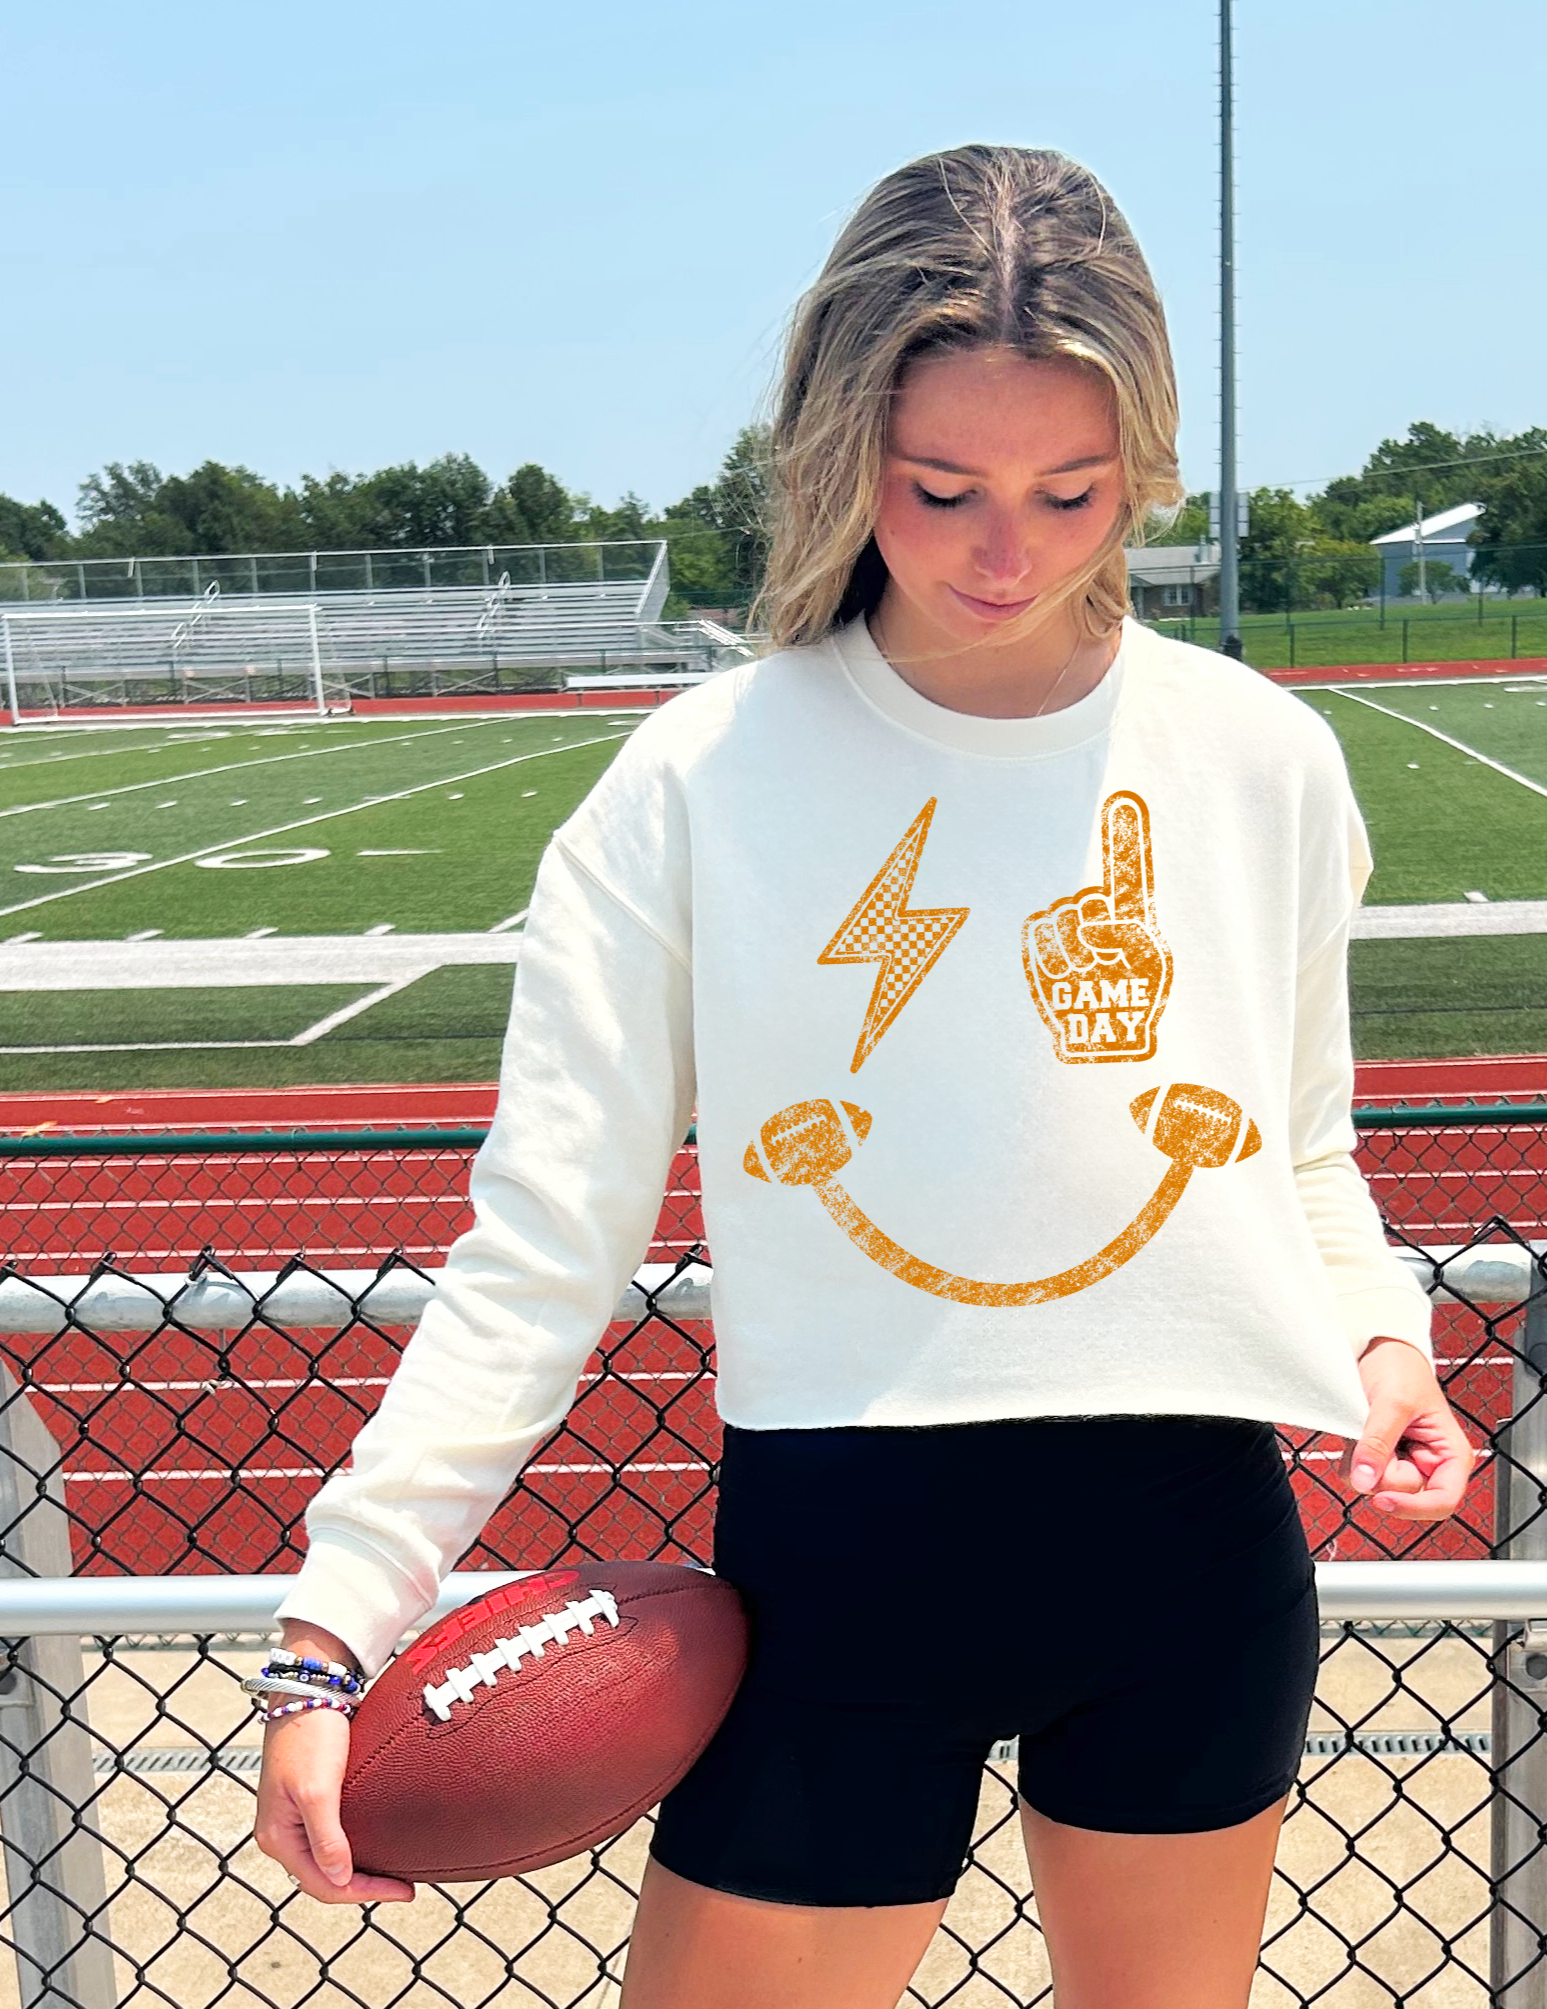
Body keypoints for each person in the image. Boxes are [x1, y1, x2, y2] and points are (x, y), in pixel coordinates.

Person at [254, 143, 1474, 2009]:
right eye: (943, 489)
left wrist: (1384, 1342)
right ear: (844, 460)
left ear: (1140, 462)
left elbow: (1302, 1152)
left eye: (1074, 490)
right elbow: (541, 1245)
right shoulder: (694, 782)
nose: (1013, 551)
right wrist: (341, 1624)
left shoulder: (1263, 758)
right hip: (842, 1576)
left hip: (1192, 1564)